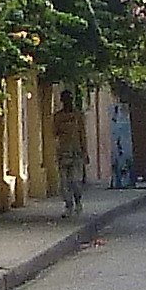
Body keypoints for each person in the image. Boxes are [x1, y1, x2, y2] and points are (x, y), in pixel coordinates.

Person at [52, 89, 88, 217]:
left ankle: (78, 201)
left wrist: (85, 152)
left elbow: (82, 134)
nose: (68, 102)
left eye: (69, 99)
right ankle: (68, 205)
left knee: (75, 181)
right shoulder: (58, 117)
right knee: (64, 182)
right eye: (65, 99)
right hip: (63, 152)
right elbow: (54, 133)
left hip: (76, 152)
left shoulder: (78, 116)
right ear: (62, 101)